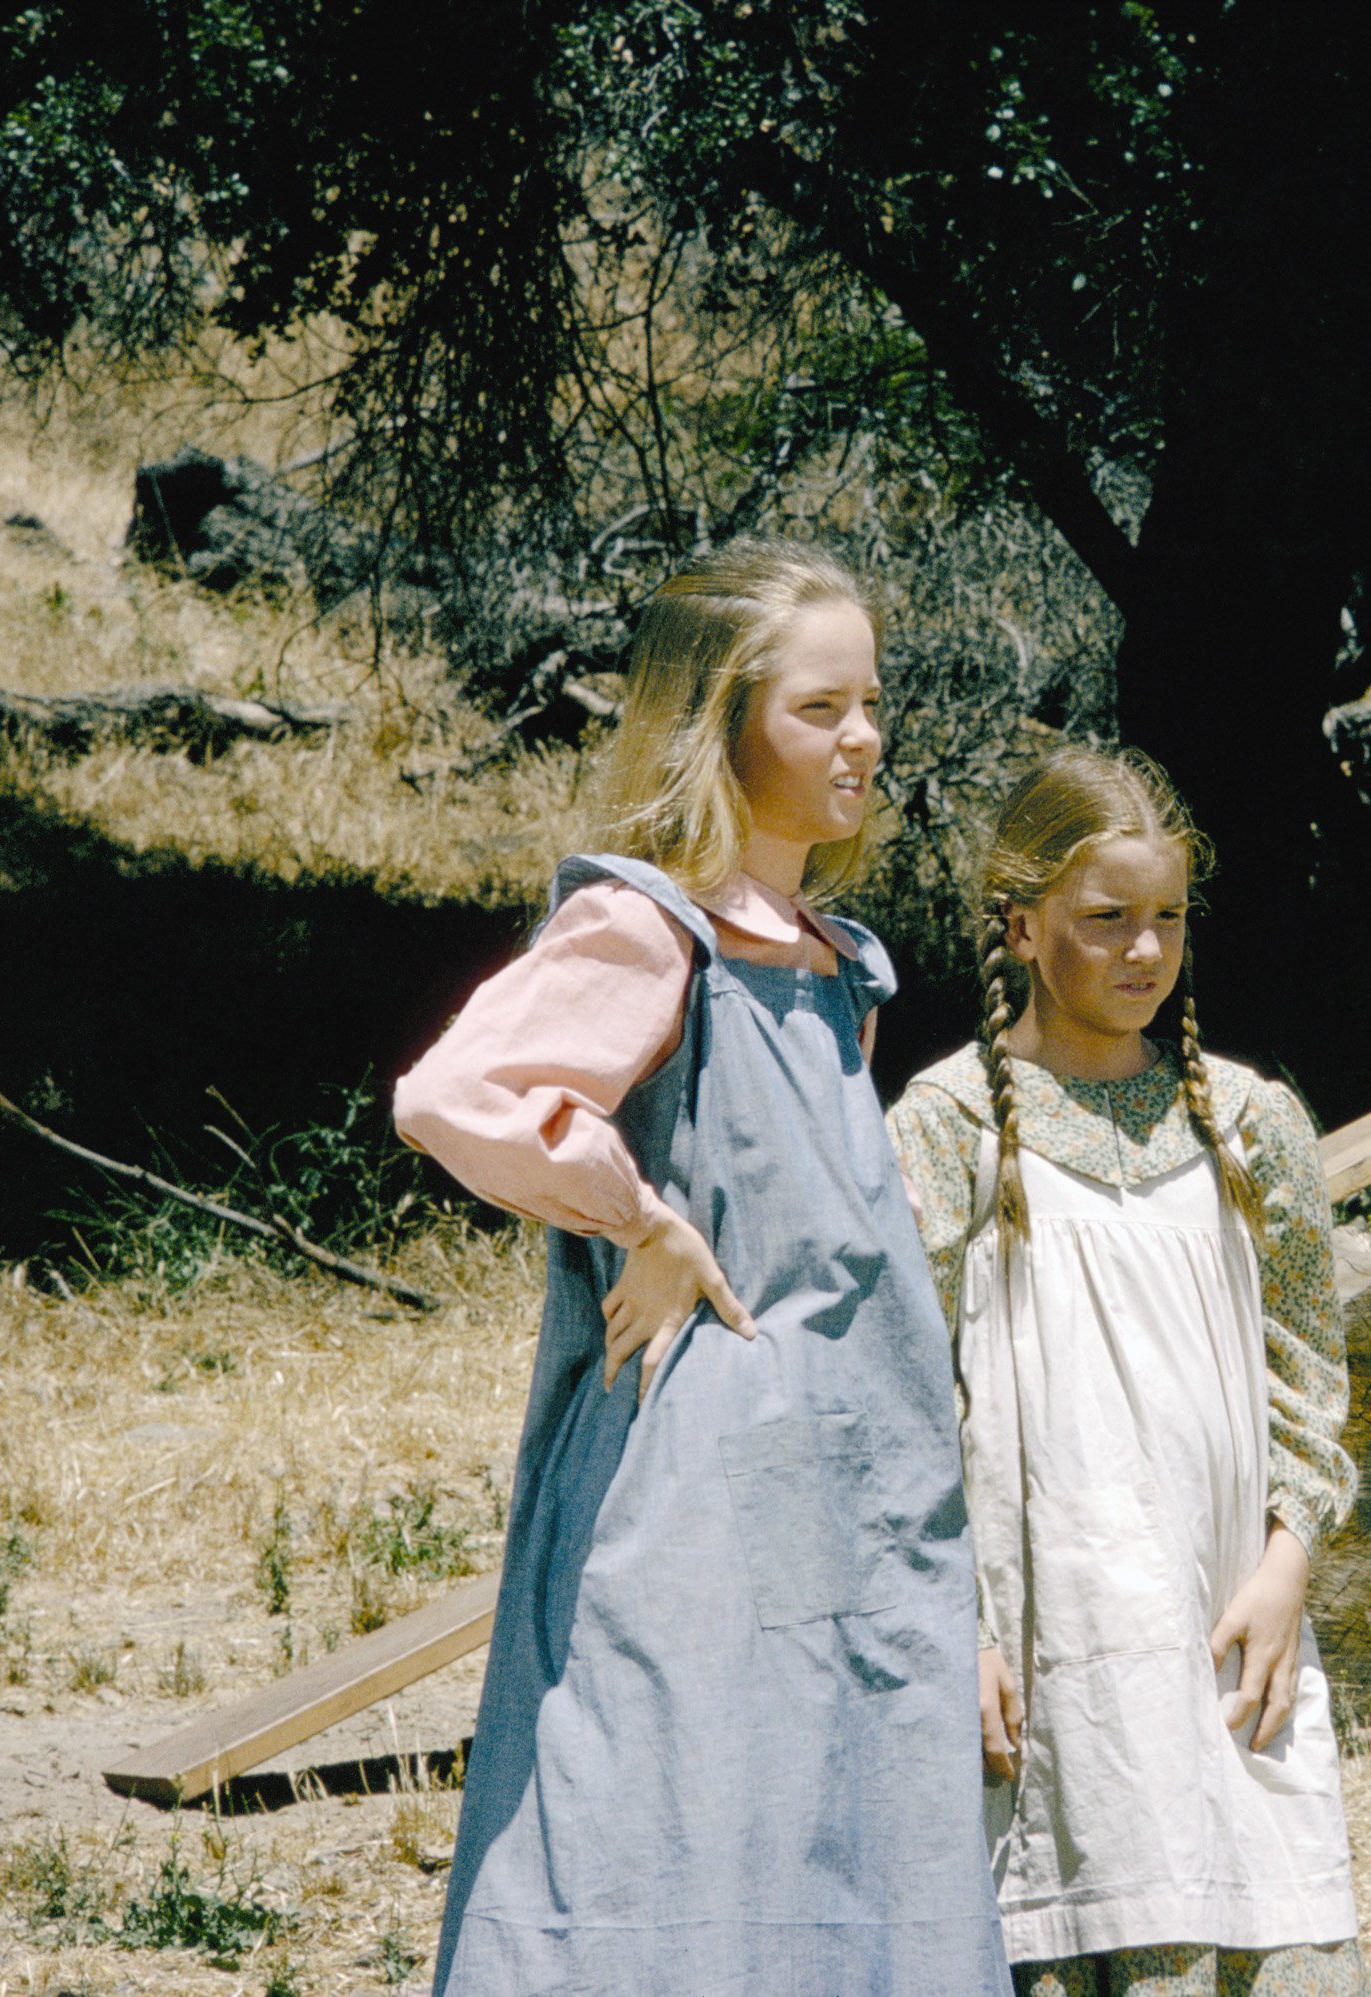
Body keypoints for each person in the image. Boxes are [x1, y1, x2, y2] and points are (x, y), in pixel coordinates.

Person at [393, 542, 1005, 1996]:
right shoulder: (647, 926)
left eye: (872, 702)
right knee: (672, 1810)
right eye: (820, 709)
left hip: (849, 1465)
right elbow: (458, 1094)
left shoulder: (831, 961)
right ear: (720, 723)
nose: (863, 738)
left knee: (833, 1805)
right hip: (696, 1482)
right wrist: (636, 1214)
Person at [886, 746, 1368, 1997]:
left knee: (1274, 1912)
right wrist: (958, 1628)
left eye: (1167, 917)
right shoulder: (947, 1128)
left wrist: (1287, 1562)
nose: (1144, 950)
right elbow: (901, 1397)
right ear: (1023, 924)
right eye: (1106, 920)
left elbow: (1309, 1372)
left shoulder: (1250, 1120)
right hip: (1050, 1632)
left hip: (1227, 1617)